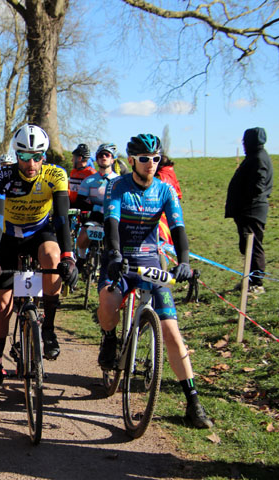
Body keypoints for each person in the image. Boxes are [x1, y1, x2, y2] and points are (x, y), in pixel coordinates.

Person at [97, 133, 213, 429]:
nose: (151, 164)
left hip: (150, 260)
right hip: (120, 255)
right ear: (133, 160)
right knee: (108, 305)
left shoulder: (164, 190)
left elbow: (178, 228)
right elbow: (111, 223)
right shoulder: (117, 186)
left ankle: (193, 401)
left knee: (172, 333)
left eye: (156, 158)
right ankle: (109, 339)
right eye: (145, 159)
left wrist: (184, 262)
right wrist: (114, 253)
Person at [0, 124, 78, 407]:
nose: (31, 163)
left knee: (52, 255)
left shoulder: (55, 175)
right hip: (8, 236)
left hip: (39, 232)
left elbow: (61, 220)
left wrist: (69, 257)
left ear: (44, 155)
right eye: (24, 156)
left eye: (37, 156)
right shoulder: (2, 177)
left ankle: (47, 327)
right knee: (2, 306)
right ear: (17, 155)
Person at [225, 127, 273, 294]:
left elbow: (257, 186)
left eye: (246, 142)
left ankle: (257, 282)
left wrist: (245, 202)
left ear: (252, 142)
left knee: (253, 245)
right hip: (247, 210)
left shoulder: (259, 158)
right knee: (247, 245)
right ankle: (250, 279)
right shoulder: (254, 156)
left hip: (252, 211)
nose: (244, 145)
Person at [73, 142, 119, 270]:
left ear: (112, 159)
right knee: (82, 237)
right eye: (100, 155)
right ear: (97, 159)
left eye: (107, 155)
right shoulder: (88, 180)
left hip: (113, 217)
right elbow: (80, 201)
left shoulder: (119, 181)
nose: (104, 157)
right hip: (95, 216)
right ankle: (81, 258)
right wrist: (97, 208)